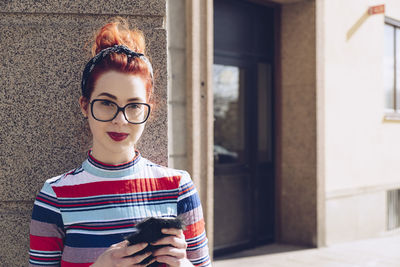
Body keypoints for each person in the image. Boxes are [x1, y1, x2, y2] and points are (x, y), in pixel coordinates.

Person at [29, 18, 211, 267]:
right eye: (106, 103)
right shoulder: (55, 196)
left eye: (134, 106)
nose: (120, 120)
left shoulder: (178, 187)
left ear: (149, 109)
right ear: (85, 106)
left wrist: (184, 264)